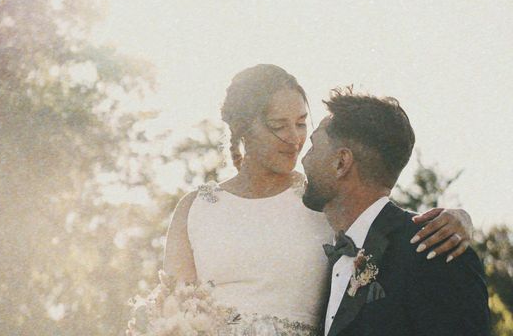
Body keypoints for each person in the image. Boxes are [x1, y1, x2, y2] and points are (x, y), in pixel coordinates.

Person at [163, 64, 474, 335]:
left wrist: (459, 218)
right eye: (278, 126)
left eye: (301, 123)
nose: (295, 138)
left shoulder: (322, 200)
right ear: (243, 127)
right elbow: (175, 316)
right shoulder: (196, 209)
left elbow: (379, 211)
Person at [302, 88, 489, 336]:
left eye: (314, 147)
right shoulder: (316, 255)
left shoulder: (435, 251)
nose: (304, 160)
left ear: (341, 163)